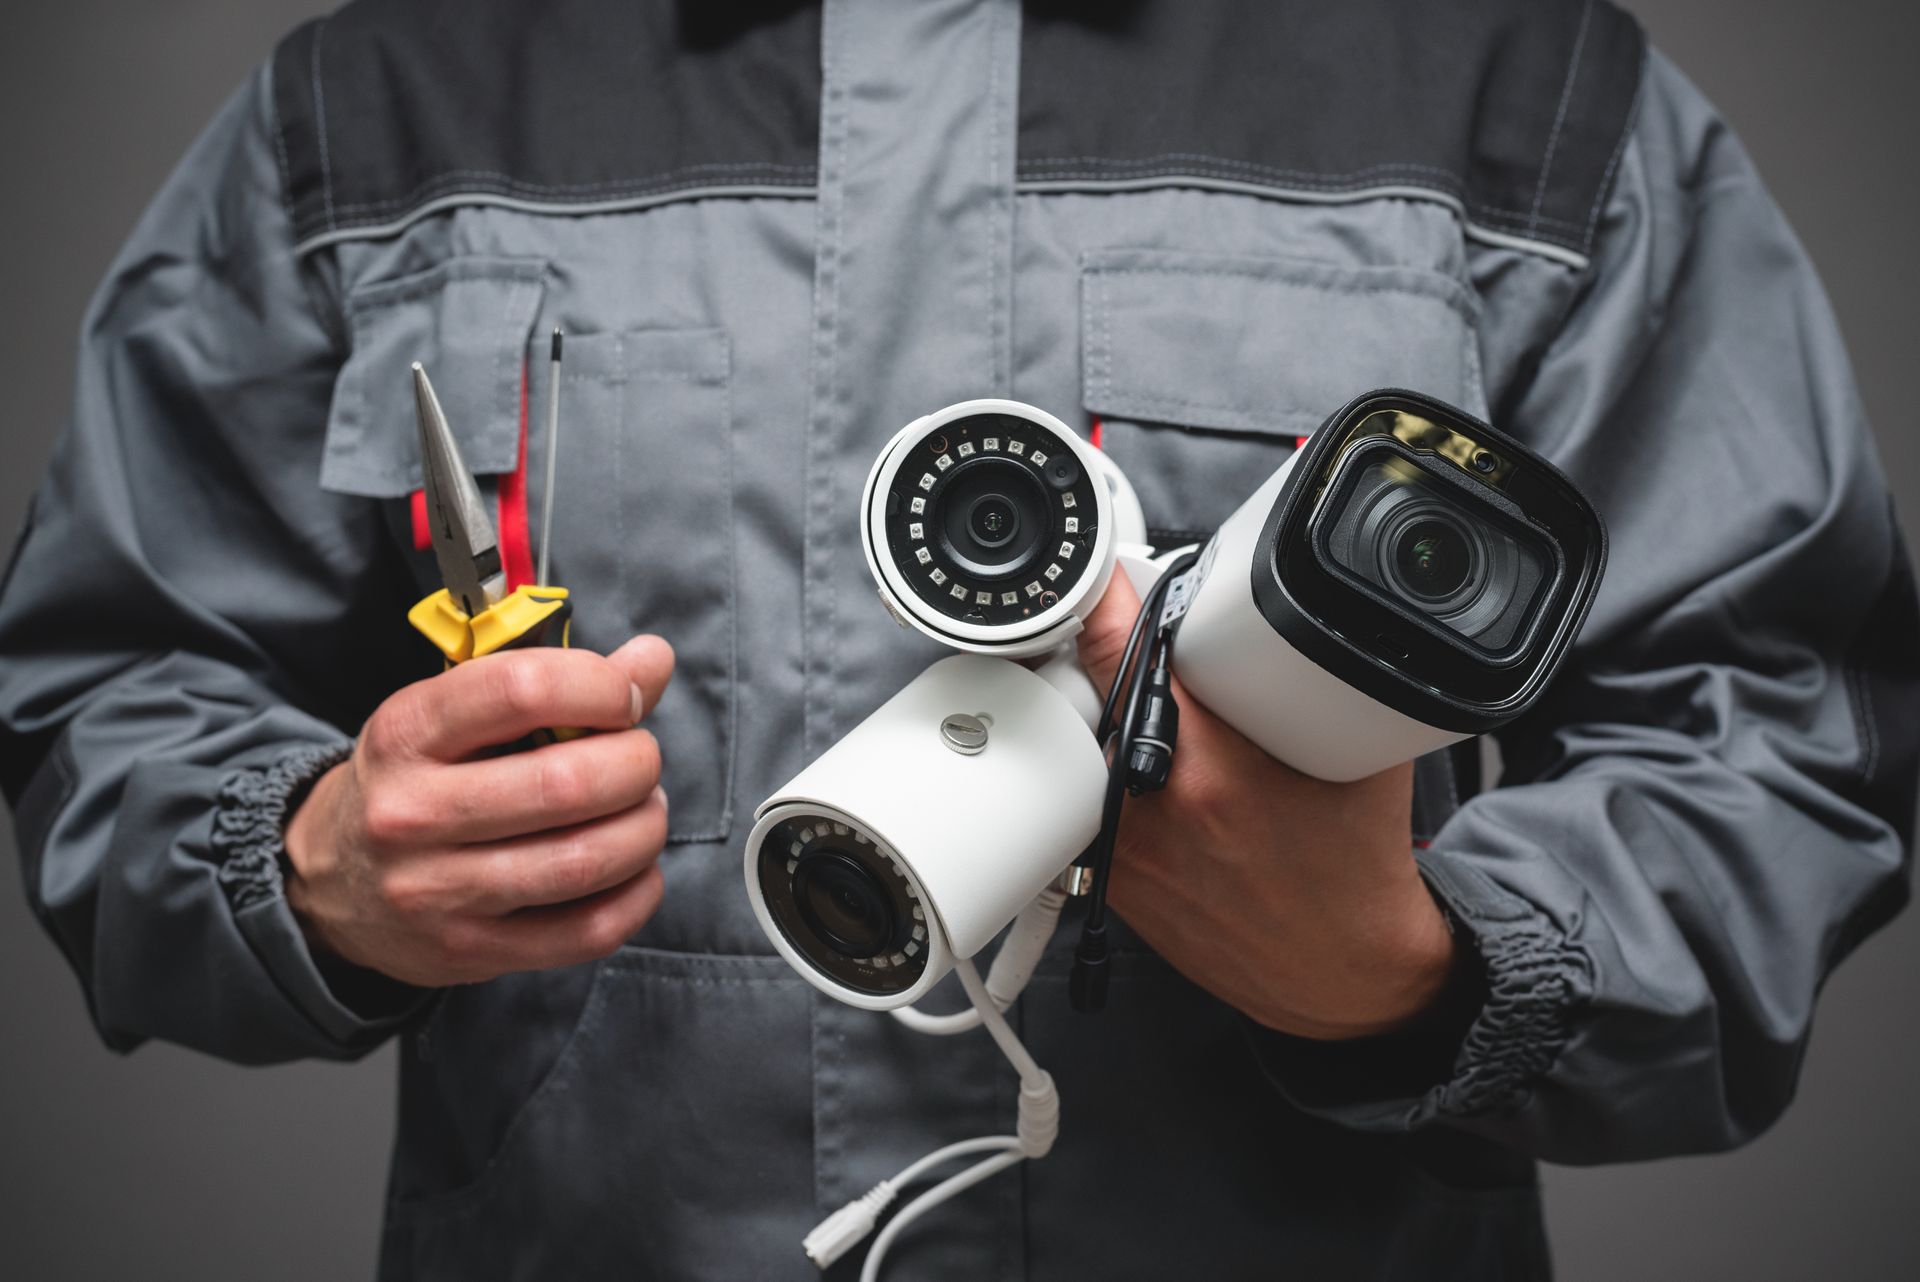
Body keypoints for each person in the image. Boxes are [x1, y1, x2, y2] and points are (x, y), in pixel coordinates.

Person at [2, 1, 1914, 1277]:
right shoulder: (388, 101)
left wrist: (1409, 971)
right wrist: (316, 866)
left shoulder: (1510, 80)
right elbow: (105, 682)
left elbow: (1777, 729)